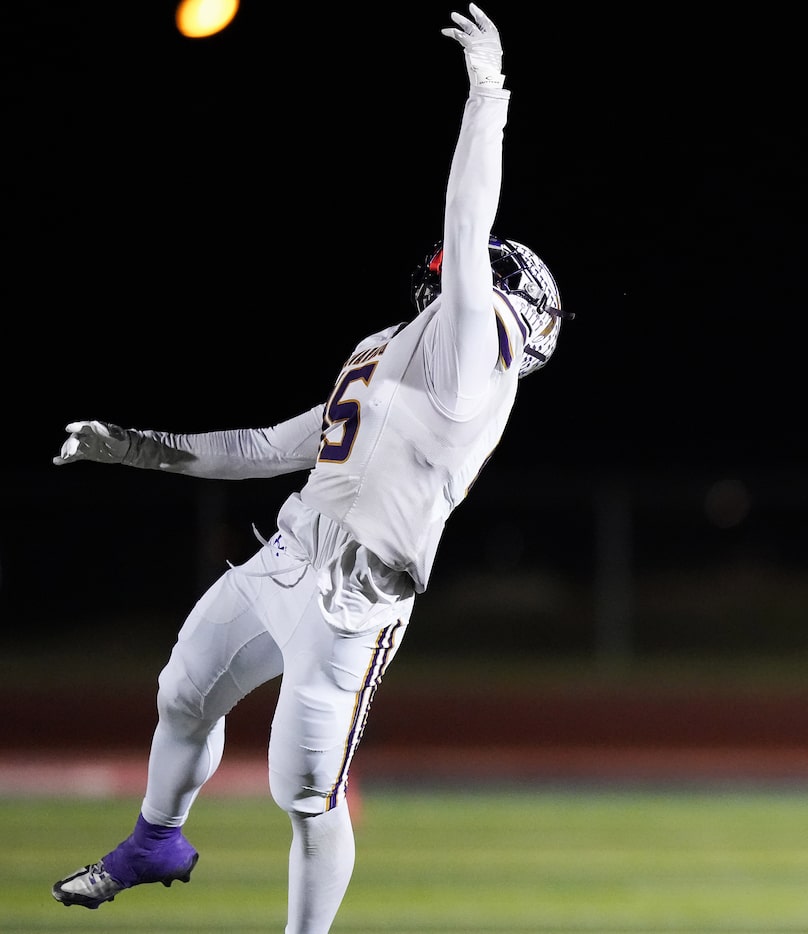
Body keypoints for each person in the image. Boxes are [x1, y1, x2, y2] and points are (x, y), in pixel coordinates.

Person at [49, 6, 570, 932]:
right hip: (286, 558)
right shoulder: (384, 353)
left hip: (353, 605)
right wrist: (130, 445)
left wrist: (488, 93)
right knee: (182, 691)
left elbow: (466, 215)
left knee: (305, 793)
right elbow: (262, 450)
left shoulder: (470, 361)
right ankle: (155, 838)